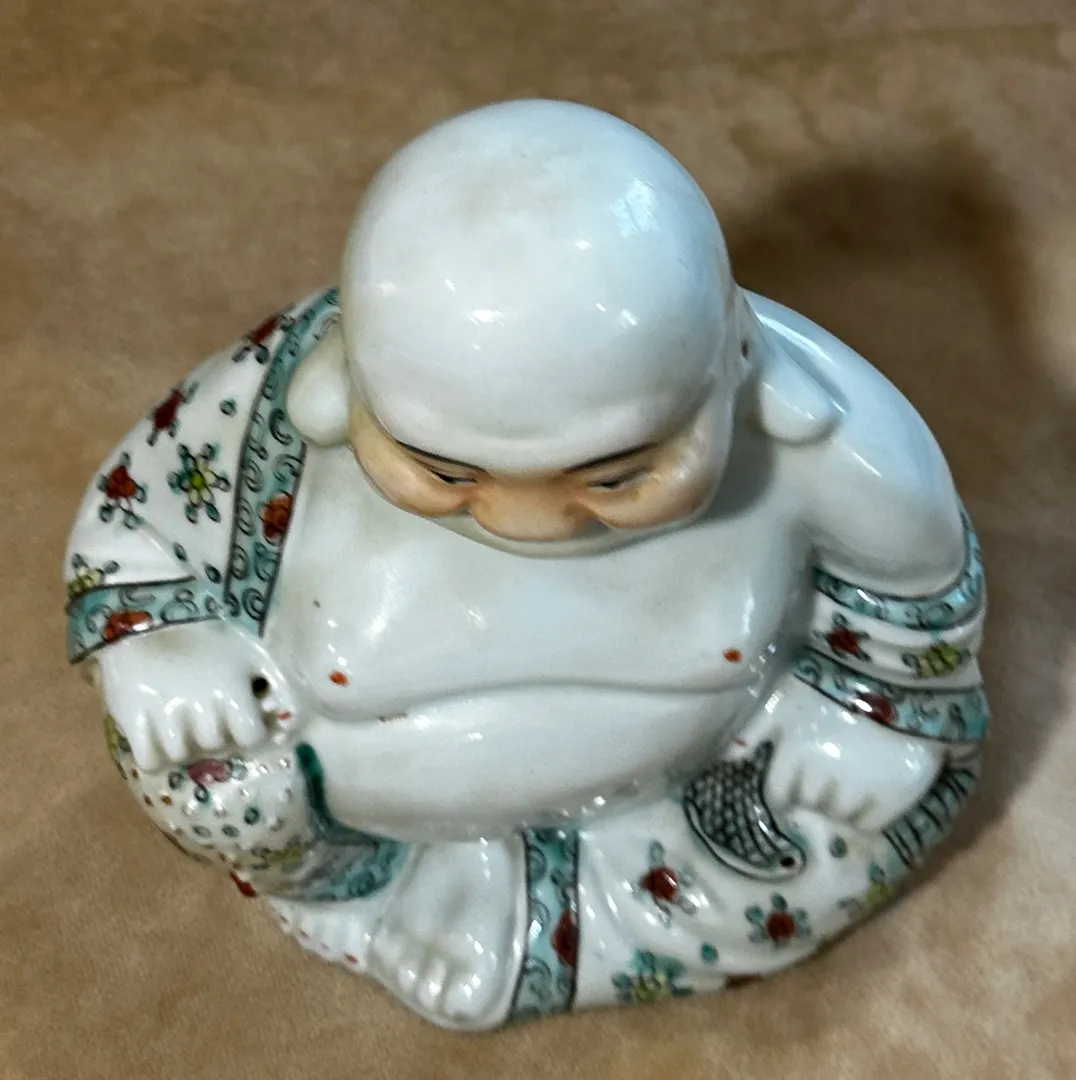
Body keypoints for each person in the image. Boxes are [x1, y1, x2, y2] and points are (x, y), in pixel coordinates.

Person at [66, 100, 988, 1030]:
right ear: (341, 386)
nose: (529, 521)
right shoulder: (275, 394)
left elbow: (921, 583)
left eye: (618, 474)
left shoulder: (825, 438)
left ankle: (548, 915)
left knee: (847, 829)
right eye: (447, 471)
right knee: (194, 774)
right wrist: (164, 648)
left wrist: (866, 714)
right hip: (354, 790)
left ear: (737, 359)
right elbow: (134, 518)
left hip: (692, 791)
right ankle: (376, 879)